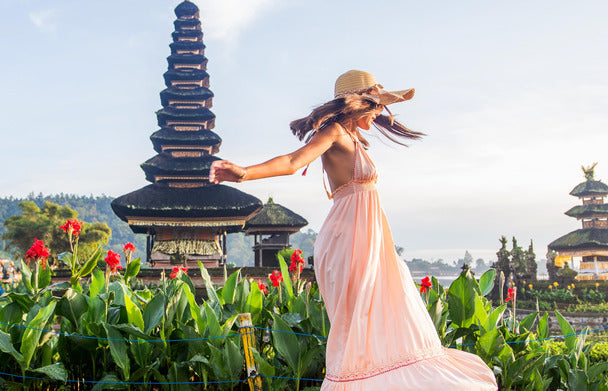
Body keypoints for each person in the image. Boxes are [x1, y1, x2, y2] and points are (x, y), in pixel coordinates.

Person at [210, 70, 497, 390]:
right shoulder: (333, 132)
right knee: (357, 323)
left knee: (391, 312)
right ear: (357, 104)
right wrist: (243, 173)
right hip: (349, 240)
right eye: (374, 105)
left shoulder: (355, 140)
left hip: (373, 242)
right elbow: (293, 161)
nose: (378, 113)